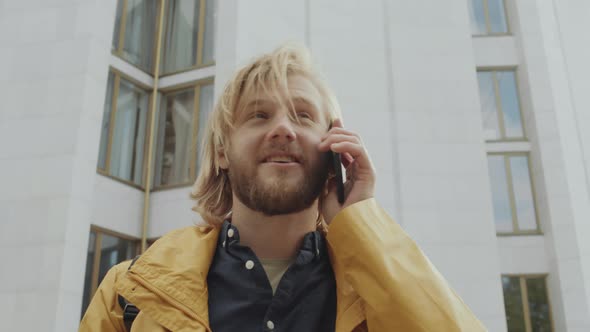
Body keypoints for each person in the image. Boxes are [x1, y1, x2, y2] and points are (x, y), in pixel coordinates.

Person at [80, 44, 486, 332]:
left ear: (334, 148)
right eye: (258, 115)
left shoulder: (378, 286)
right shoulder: (127, 294)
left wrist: (362, 223)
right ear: (222, 151)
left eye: (303, 116)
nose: (282, 129)